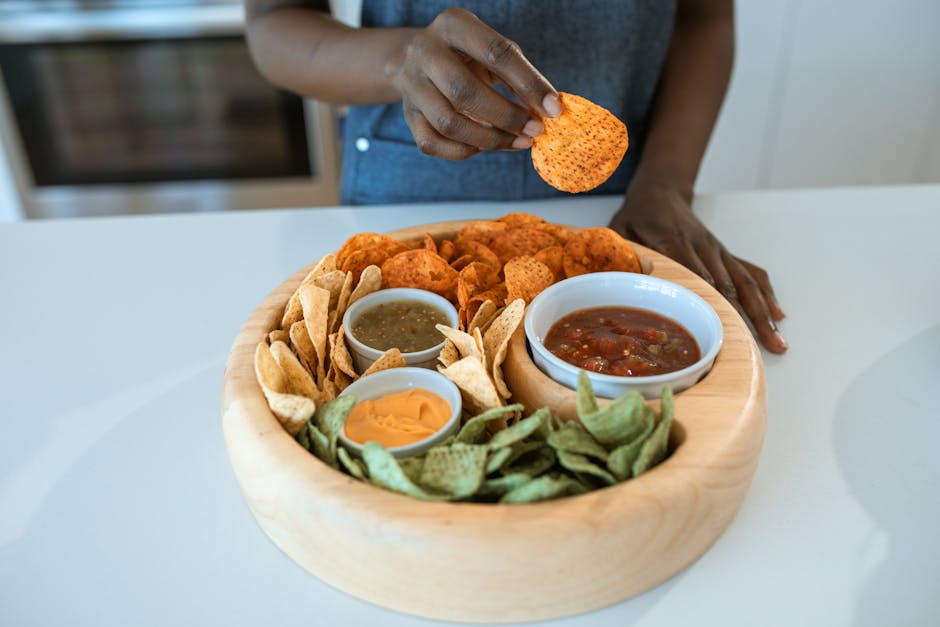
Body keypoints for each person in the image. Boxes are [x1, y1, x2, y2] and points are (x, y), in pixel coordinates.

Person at [243, 0, 788, 354]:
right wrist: (396, 61)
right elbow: (274, 19)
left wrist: (667, 182)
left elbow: (705, 17)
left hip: (623, 202)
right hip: (404, 188)